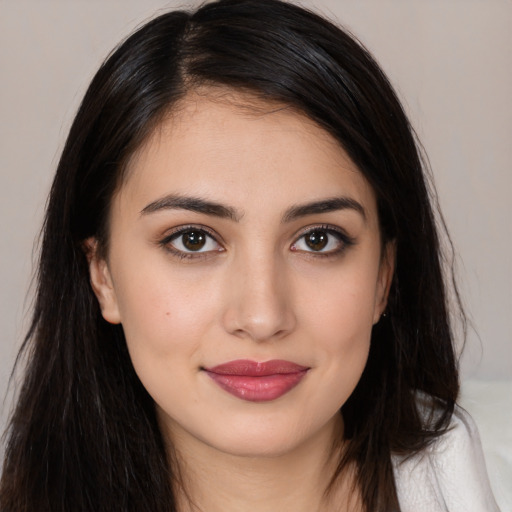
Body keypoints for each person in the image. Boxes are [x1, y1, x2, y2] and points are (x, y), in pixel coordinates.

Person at [0, 0, 500, 511]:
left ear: (383, 276)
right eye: (192, 239)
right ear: (101, 273)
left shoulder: (458, 473)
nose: (262, 317)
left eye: (318, 239)